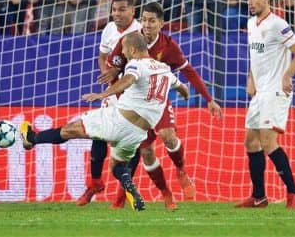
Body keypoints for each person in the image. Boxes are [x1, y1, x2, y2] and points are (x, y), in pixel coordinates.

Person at [20, 32, 190, 211]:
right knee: (117, 165)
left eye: (124, 49)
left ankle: (32, 138)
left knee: (69, 130)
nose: (123, 53)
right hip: (137, 134)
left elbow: (128, 79)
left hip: (118, 120)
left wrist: (103, 94)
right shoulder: (164, 68)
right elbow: (182, 87)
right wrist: (185, 96)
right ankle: (129, 185)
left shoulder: (136, 64)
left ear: (132, 49)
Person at [99, 2, 223, 209]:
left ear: (161, 23)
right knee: (146, 152)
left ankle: (182, 170)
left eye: (152, 21)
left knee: (167, 135)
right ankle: (166, 194)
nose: (146, 25)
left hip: (159, 100)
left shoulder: (168, 46)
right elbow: (113, 73)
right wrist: (120, 97)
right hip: (134, 106)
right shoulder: (128, 41)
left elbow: (189, 71)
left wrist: (209, 99)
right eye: (144, 20)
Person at [236, 0, 295, 209]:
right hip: (260, 91)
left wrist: (287, 76)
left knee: (267, 140)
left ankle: (293, 192)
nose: (250, 2)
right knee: (250, 142)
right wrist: (250, 78)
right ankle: (259, 196)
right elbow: (254, 57)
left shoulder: (278, 24)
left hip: (276, 90)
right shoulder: (251, 23)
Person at [77, 0, 141, 207]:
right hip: (113, 91)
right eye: (114, 9)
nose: (116, 14)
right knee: (98, 132)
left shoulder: (139, 32)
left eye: (122, 9)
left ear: (133, 10)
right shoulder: (109, 29)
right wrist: (108, 76)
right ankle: (95, 182)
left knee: (134, 141)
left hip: (134, 93)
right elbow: (102, 56)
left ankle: (125, 191)